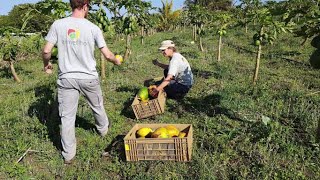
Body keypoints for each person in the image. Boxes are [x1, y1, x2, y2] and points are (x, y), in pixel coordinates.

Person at [42, 0, 121, 164]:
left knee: (67, 118)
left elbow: (46, 50)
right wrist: (116, 61)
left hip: (67, 78)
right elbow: (107, 55)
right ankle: (103, 131)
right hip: (89, 77)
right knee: (97, 106)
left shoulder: (58, 24)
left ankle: (68, 155)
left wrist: (46, 65)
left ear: (71, 5)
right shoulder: (93, 28)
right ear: (85, 6)